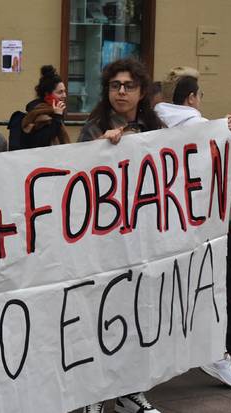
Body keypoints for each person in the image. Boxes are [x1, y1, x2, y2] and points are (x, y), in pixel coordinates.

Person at [77, 58, 164, 413]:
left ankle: (130, 393)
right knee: (101, 319)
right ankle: (94, 397)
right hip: (104, 241)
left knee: (138, 316)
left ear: (142, 92)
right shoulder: (93, 127)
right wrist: (101, 150)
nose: (122, 92)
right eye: (115, 86)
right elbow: (76, 176)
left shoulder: (157, 128)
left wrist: (219, 135)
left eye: (129, 86)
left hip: (144, 240)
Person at [155, 68, 231, 389]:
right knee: (206, 289)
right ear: (192, 98)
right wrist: (228, 135)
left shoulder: (153, 123)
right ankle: (215, 353)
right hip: (201, 224)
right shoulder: (207, 129)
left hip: (160, 224)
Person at [17, 64, 70, 148]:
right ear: (47, 94)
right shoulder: (38, 113)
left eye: (64, 91)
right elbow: (42, 141)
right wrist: (57, 117)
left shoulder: (53, 111)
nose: (64, 95)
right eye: (60, 92)